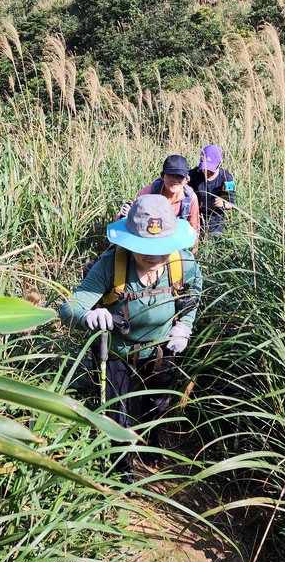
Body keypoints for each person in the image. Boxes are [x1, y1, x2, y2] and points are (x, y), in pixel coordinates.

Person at [60, 194, 202, 474]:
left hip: (163, 344)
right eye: (144, 248)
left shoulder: (182, 263)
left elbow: (195, 291)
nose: (153, 256)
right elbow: (69, 308)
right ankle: (120, 467)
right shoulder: (111, 265)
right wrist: (88, 315)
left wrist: (184, 325)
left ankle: (152, 439)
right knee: (117, 410)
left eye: (161, 248)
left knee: (158, 401)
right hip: (117, 347)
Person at [123, 154, 201, 246]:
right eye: (171, 175)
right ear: (162, 176)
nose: (175, 180)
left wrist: (192, 253)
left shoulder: (190, 198)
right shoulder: (149, 192)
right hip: (149, 240)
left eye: (180, 176)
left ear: (186, 179)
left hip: (176, 243)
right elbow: (127, 215)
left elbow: (194, 229)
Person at [188, 144, 235, 236]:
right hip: (194, 216)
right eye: (204, 168)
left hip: (215, 221)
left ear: (219, 164)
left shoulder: (226, 178)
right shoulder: (192, 175)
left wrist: (223, 204)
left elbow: (231, 203)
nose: (206, 172)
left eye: (210, 169)